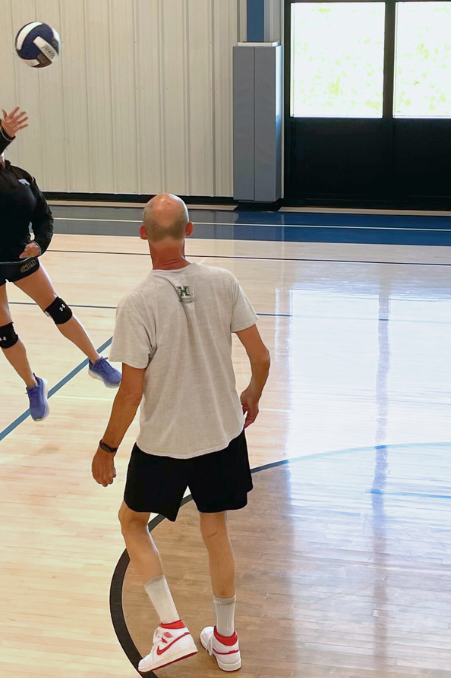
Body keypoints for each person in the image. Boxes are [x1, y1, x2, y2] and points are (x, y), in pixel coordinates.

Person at [92, 194, 270, 673]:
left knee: (132, 522)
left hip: (166, 444)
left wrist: (107, 447)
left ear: (143, 235)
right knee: (216, 530)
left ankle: (172, 630)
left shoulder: (137, 304)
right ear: (190, 231)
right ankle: (226, 641)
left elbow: (130, 393)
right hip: (222, 436)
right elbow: (261, 357)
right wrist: (252, 392)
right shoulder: (223, 282)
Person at [0, 108, 121, 421]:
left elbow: (43, 215)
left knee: (57, 308)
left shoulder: (21, 176)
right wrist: (4, 134)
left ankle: (96, 361)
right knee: (3, 331)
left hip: (19, 257)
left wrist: (41, 243)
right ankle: (33, 385)